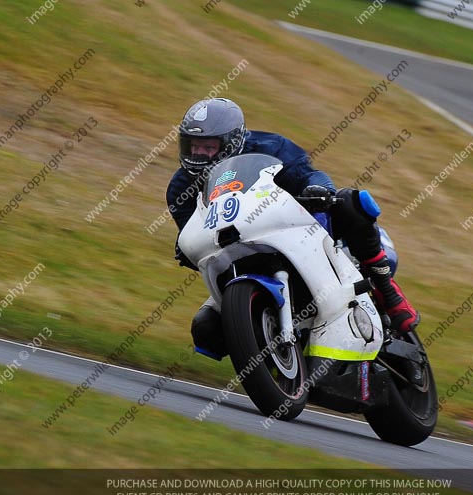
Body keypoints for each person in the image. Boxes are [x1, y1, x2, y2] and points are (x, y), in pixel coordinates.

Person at [166, 98, 419, 359]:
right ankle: (268, 354)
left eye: (209, 147)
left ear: (232, 141)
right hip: (236, 257)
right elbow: (196, 236)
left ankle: (387, 289)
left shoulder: (271, 147)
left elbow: (308, 174)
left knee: (350, 202)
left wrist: (320, 190)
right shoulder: (180, 189)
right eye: (193, 146)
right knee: (206, 330)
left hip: (294, 231)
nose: (199, 154)